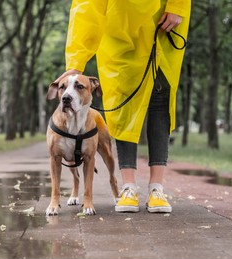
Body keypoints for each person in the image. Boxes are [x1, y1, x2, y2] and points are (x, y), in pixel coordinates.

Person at [54, 0, 191, 213]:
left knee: (159, 101)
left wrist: (178, 6)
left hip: (162, 22)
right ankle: (128, 187)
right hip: (118, 32)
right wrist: (75, 62)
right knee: (122, 107)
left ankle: (157, 188)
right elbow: (86, 7)